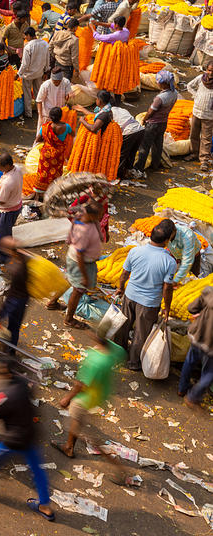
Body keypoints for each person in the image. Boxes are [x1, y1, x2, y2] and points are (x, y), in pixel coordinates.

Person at [0, 359, 55, 522]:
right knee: (38, 471)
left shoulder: (9, 395)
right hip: (30, 436)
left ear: (6, 374)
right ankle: (45, 506)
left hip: (13, 440)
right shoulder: (22, 384)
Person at [112, 220, 176, 371]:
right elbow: (167, 288)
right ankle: (133, 362)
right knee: (141, 334)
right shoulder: (169, 261)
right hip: (149, 303)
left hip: (130, 295)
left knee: (123, 325)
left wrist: (120, 288)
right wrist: (167, 308)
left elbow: (124, 274)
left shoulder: (135, 251)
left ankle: (117, 354)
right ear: (167, 240)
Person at [56, 327, 126, 458]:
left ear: (96, 337)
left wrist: (67, 398)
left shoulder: (95, 360)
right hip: (101, 393)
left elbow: (81, 384)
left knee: (78, 423)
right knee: (78, 420)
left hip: (87, 396)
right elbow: (122, 355)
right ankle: (70, 445)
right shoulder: (115, 350)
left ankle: (118, 469)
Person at [48, 202, 103, 330]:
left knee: (69, 279)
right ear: (90, 215)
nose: (101, 217)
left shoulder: (86, 219)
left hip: (80, 259)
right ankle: (69, 319)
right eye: (99, 215)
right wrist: (84, 276)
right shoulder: (83, 230)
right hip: (80, 262)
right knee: (78, 290)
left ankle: (52, 302)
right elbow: (80, 255)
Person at [134, 70, 178, 175]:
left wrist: (144, 119)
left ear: (163, 83)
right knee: (158, 144)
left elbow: (151, 111)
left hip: (153, 124)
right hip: (163, 122)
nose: (157, 83)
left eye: (158, 81)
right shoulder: (174, 93)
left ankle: (139, 167)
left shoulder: (160, 98)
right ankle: (155, 165)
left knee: (145, 146)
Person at [178, 285, 213, 409]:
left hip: (198, 335)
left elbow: (191, 308)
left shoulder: (209, 292)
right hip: (211, 345)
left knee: (189, 362)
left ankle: (182, 389)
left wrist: (201, 313)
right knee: (209, 373)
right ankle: (193, 396)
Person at [0, 153, 23, 259]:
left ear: (7, 166)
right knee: (0, 230)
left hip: (8, 211)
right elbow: (2, 180)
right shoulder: (17, 169)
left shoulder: (8, 183)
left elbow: (1, 201)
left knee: (4, 234)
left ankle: (5, 257)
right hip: (16, 205)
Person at [32, 106, 72, 197]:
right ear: (61, 116)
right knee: (56, 172)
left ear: (50, 117)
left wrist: (47, 138)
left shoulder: (45, 127)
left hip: (46, 154)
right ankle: (54, 191)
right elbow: (72, 134)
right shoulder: (66, 127)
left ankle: (40, 191)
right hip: (58, 154)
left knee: (43, 172)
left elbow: (38, 139)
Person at [187, 60, 213, 171]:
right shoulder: (200, 79)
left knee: (206, 138)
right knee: (194, 134)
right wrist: (196, 95)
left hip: (209, 116)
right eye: (209, 70)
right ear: (206, 70)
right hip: (197, 112)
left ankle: (204, 161)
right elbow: (189, 86)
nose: (211, 73)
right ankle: (194, 153)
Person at [18, 27, 48, 120]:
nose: (25, 38)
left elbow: (25, 64)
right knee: (38, 92)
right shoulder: (44, 44)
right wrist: (46, 70)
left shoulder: (28, 46)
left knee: (27, 94)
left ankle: (28, 113)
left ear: (29, 35)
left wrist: (18, 73)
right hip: (39, 72)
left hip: (28, 75)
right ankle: (40, 111)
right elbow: (47, 59)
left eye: (25, 36)